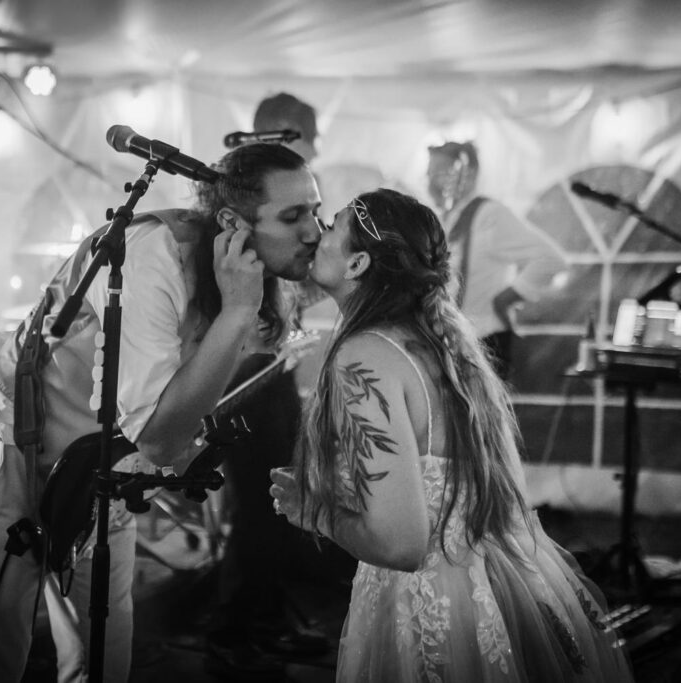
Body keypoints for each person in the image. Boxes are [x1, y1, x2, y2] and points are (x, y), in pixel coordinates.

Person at [0, 142, 322, 683]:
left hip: (99, 463)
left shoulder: (251, 277)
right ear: (232, 222)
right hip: (14, 447)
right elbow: (160, 441)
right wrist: (236, 313)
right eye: (293, 216)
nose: (313, 230)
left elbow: (180, 413)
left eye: (314, 209)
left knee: (104, 651)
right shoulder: (151, 256)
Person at [270, 188, 634, 682]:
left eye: (330, 226)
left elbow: (401, 545)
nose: (316, 234)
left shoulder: (364, 357)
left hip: (426, 603)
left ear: (357, 263)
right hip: (490, 583)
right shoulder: (444, 344)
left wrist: (313, 510)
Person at [204, 91, 333, 681]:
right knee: (256, 509)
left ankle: (270, 622)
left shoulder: (297, 190)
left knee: (279, 502)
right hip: (244, 380)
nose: (309, 225)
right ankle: (235, 634)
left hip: (271, 371)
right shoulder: (251, 198)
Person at [426, 141, 566, 380]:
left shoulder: (489, 215)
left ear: (467, 176)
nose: (431, 183)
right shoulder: (449, 219)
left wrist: (508, 297)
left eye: (440, 173)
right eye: (429, 174)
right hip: (455, 342)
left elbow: (551, 259)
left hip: (484, 341)